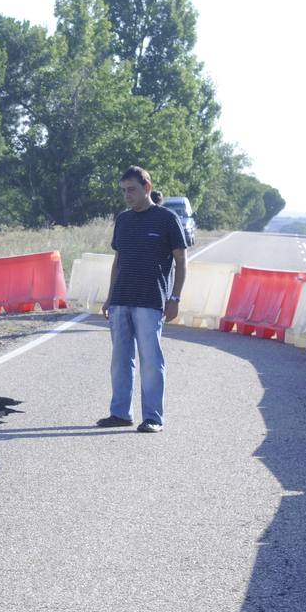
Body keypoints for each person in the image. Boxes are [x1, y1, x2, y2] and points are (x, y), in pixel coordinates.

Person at [96, 166, 188, 433]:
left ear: (147, 187)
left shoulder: (167, 219)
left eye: (132, 190)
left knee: (151, 360)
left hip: (151, 301)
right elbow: (118, 260)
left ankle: (153, 417)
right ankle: (120, 413)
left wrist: (175, 298)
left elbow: (181, 261)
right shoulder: (123, 220)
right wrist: (109, 297)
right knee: (120, 359)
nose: (127, 195)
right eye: (124, 190)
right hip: (121, 300)